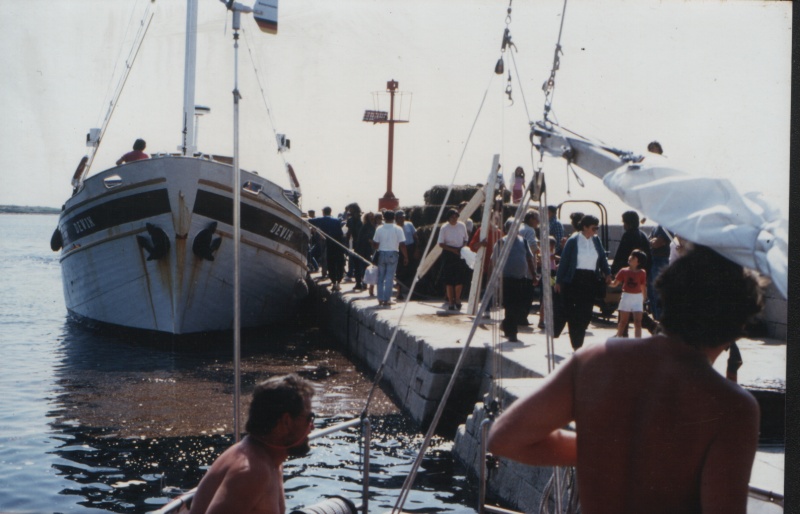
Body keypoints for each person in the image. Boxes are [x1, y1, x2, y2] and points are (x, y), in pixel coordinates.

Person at [488, 245, 763, 514]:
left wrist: (607, 446)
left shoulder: (595, 360)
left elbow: (504, 438)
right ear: (738, 325)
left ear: (666, 293)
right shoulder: (732, 406)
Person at [189, 374, 316, 514]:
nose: (312, 427)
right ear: (286, 421)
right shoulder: (252, 472)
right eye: (309, 418)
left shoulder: (271, 459)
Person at [554, 214, 611, 350]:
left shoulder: (596, 240)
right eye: (593, 228)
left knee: (586, 314)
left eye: (597, 228)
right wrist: (558, 281)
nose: (596, 231)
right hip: (575, 280)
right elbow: (564, 261)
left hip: (590, 280)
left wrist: (607, 272)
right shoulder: (573, 240)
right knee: (574, 314)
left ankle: (578, 338)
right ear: (585, 227)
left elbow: (602, 257)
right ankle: (577, 345)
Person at [494, 219, 538, 342]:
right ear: (506, 229)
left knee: (518, 306)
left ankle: (506, 325)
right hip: (506, 278)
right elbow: (494, 261)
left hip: (521, 278)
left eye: (516, 227)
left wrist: (534, 275)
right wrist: (493, 279)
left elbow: (529, 259)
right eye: (511, 227)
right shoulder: (501, 242)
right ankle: (512, 333)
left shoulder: (523, 241)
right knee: (510, 305)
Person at [371, 210, 408, 307]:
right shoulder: (398, 229)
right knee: (389, 278)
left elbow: (375, 244)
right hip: (393, 253)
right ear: (394, 218)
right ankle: (387, 299)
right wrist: (406, 256)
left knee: (380, 277)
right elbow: (402, 244)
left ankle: (380, 298)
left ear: (384, 218)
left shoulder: (379, 228)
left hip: (381, 253)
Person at [610, 249, 648, 338]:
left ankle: (637, 342)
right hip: (626, 297)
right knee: (623, 321)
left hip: (637, 298)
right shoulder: (623, 271)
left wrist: (644, 298)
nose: (630, 258)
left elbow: (643, 286)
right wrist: (608, 282)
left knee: (638, 322)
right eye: (631, 255)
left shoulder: (642, 273)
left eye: (633, 257)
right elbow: (615, 284)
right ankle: (619, 338)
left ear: (638, 262)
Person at [437, 208, 470, 310]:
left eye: (456, 216)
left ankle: (458, 299)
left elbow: (466, 239)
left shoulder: (462, 225)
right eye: (452, 217)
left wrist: (462, 248)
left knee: (459, 279)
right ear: (448, 218)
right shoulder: (444, 228)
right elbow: (441, 243)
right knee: (449, 280)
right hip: (448, 254)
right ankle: (451, 302)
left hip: (459, 253)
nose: (454, 218)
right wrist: (452, 250)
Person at [309, 207, 345, 291]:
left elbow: (310, 221)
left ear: (323, 212)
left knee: (331, 263)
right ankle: (338, 282)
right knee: (339, 263)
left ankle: (334, 282)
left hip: (330, 245)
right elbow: (341, 233)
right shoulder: (336, 220)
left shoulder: (322, 219)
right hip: (339, 244)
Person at [611, 211, 651, 276]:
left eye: (624, 222)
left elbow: (621, 255)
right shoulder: (643, 235)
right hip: (642, 272)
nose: (624, 225)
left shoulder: (628, 235)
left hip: (629, 272)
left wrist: (613, 270)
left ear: (629, 223)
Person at [518, 210, 541, 320]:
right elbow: (532, 247)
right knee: (527, 294)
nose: (538, 222)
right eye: (537, 219)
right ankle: (523, 317)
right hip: (528, 266)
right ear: (531, 219)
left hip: (518, 264)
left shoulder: (520, 228)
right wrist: (539, 252)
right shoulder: (530, 230)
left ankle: (518, 317)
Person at [648, 224, 672, 319]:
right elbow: (649, 240)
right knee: (651, 291)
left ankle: (660, 317)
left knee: (658, 290)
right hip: (653, 260)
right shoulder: (656, 227)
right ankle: (656, 317)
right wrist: (653, 240)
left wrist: (653, 240)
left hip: (661, 261)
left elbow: (657, 243)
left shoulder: (666, 227)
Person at [394, 210, 418, 299]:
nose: (402, 219)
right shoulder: (395, 227)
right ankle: (399, 292)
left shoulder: (409, 224)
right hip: (399, 249)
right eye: (400, 218)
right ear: (396, 219)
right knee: (400, 271)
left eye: (403, 217)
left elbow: (415, 237)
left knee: (412, 270)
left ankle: (412, 292)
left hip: (410, 248)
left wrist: (416, 249)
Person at [354, 211, 376, 292]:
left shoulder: (369, 226)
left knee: (363, 266)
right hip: (363, 249)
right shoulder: (367, 226)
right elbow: (367, 238)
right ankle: (362, 283)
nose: (372, 218)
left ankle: (362, 283)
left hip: (365, 249)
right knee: (363, 266)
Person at [345, 203, 363, 289]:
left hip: (363, 244)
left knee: (362, 264)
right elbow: (349, 233)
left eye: (350, 209)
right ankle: (358, 282)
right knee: (357, 264)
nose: (349, 211)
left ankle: (362, 282)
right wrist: (346, 243)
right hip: (356, 244)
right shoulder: (350, 220)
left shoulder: (362, 218)